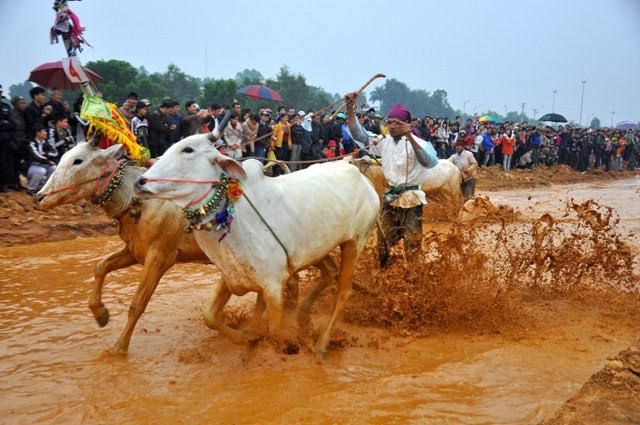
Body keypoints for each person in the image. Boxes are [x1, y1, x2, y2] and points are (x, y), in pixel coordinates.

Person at [345, 93, 437, 267]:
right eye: (390, 122)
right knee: (382, 245)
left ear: (408, 125)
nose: (392, 126)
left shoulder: (420, 143)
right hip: (391, 199)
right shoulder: (383, 142)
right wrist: (350, 108)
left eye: (397, 123)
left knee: (412, 247)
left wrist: (409, 136)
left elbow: (429, 162)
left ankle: (415, 282)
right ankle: (383, 278)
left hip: (412, 200)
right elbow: (358, 134)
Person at [26, 124, 57, 195]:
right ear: (37, 133)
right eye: (44, 131)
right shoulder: (30, 142)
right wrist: (48, 161)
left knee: (53, 168)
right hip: (30, 166)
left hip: (43, 164)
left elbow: (55, 152)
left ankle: (45, 188)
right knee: (41, 171)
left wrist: (45, 153)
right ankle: (31, 189)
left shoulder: (46, 142)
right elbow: (36, 156)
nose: (46, 133)